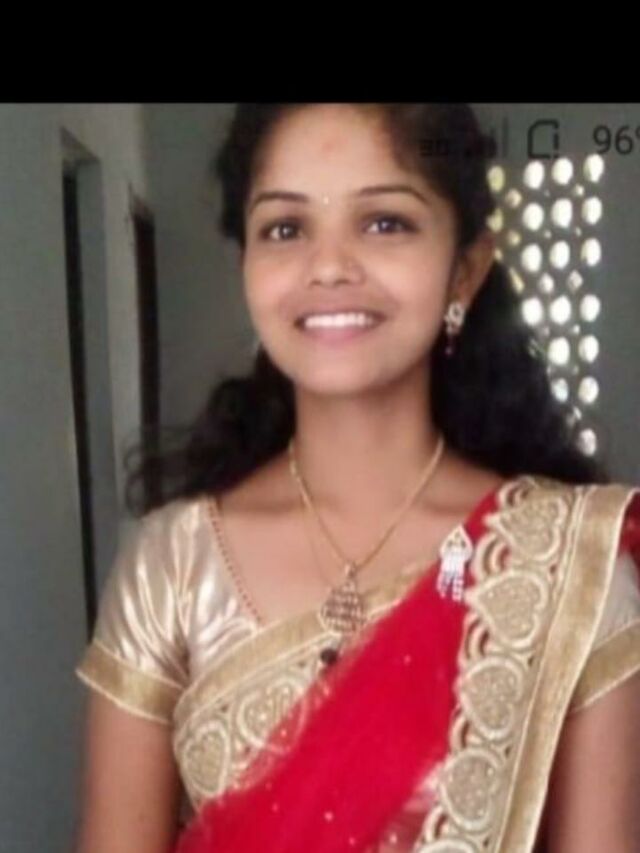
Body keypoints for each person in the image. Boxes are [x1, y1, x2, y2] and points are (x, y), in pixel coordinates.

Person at [73, 103, 640, 853]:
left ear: (465, 270)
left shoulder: (571, 566)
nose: (329, 265)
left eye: (384, 222)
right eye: (286, 228)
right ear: (246, 265)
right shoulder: (171, 567)